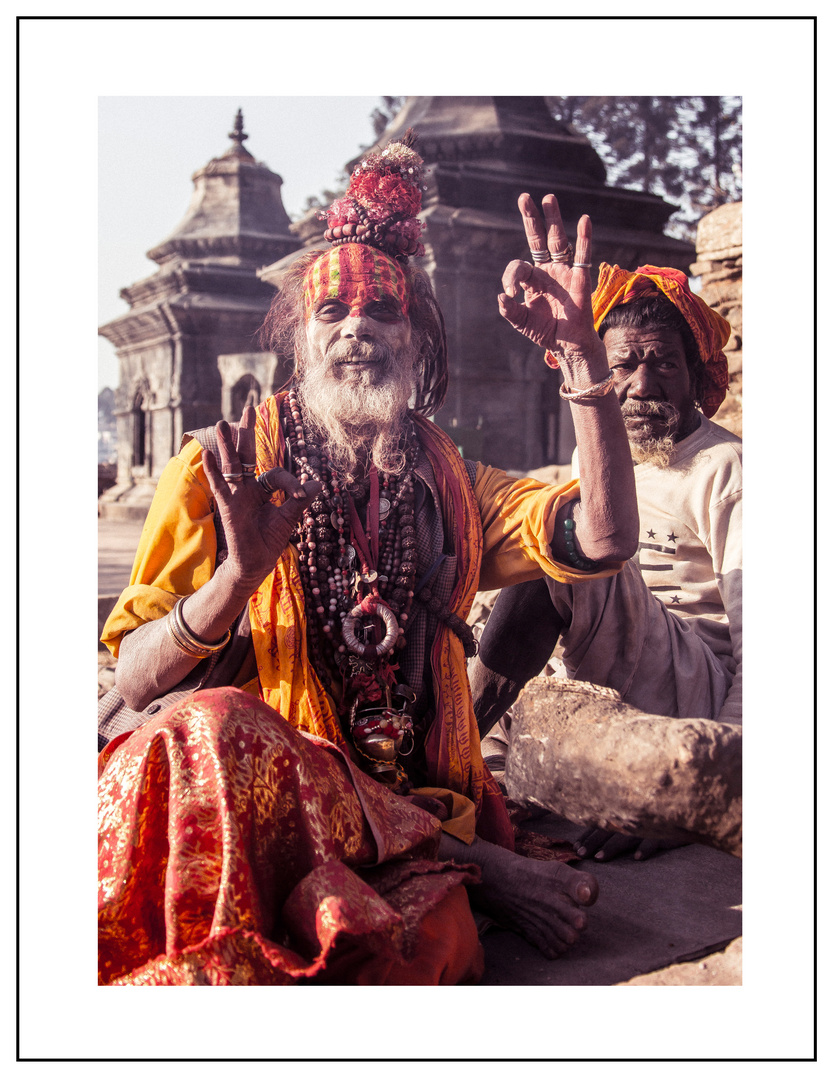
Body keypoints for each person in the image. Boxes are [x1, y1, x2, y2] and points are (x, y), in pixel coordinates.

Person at [98, 136, 639, 985]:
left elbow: (602, 541)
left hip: (411, 812)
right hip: (247, 803)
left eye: (382, 311)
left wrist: (584, 361)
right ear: (299, 342)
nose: (357, 327)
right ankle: (478, 869)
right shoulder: (219, 467)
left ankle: (450, 863)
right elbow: (134, 679)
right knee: (214, 727)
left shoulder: (454, 483)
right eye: (331, 313)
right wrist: (235, 582)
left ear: (416, 339)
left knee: (417, 948)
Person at [471, 230, 741, 863]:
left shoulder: (725, 467)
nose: (642, 385)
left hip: (695, 690)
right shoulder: (600, 455)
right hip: (610, 671)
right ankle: (489, 765)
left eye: (665, 364)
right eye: (623, 365)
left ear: (694, 375)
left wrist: (715, 786)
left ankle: (453, 748)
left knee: (559, 547)